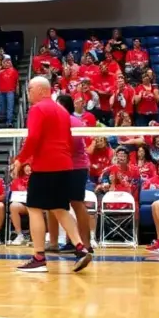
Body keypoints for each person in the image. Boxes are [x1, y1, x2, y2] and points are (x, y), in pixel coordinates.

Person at [10, 77, 92, 272]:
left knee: (34, 208)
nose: (27, 92)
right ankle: (80, 248)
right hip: (65, 165)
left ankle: (38, 257)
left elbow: (34, 137)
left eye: (29, 88)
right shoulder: (62, 111)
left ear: (40, 90)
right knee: (60, 208)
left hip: (46, 165)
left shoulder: (38, 109)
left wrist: (21, 159)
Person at [57, 93, 94, 252]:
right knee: (64, 205)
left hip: (76, 167)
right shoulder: (60, 121)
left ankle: (85, 244)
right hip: (64, 166)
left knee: (77, 203)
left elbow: (71, 145)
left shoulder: (74, 122)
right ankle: (73, 241)